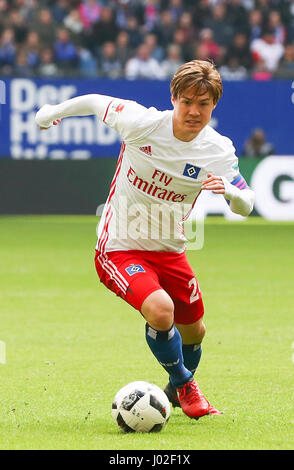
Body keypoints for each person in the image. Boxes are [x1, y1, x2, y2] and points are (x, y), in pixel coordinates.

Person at [35, 60, 255, 420]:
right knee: (161, 309)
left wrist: (231, 191)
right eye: (187, 102)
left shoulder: (217, 151)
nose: (194, 111)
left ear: (214, 105)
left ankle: (173, 390)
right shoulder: (142, 123)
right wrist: (51, 113)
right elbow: (93, 101)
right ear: (173, 98)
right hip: (119, 247)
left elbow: (247, 204)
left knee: (195, 330)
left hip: (170, 250)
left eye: (203, 104)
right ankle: (186, 385)